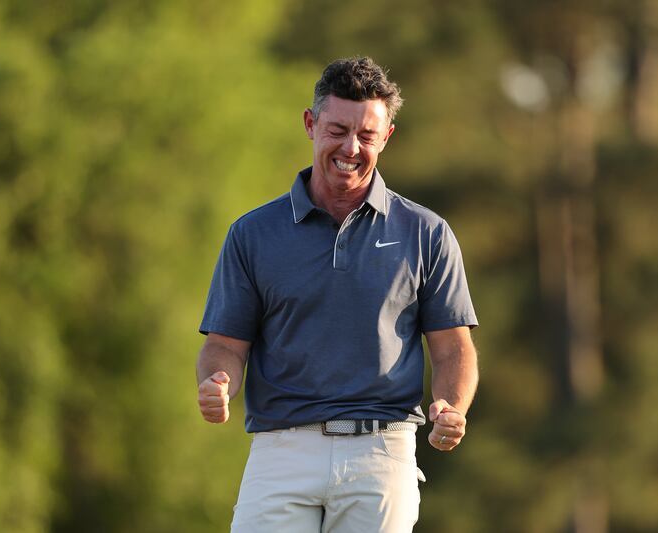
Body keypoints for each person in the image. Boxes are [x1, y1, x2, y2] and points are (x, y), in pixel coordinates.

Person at [196, 56, 479, 533]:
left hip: (381, 452)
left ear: (386, 136)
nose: (351, 147)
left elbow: (453, 347)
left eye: (367, 135)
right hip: (280, 451)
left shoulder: (426, 232)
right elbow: (224, 345)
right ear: (311, 124)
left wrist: (452, 406)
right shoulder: (252, 234)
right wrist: (217, 383)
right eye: (337, 130)